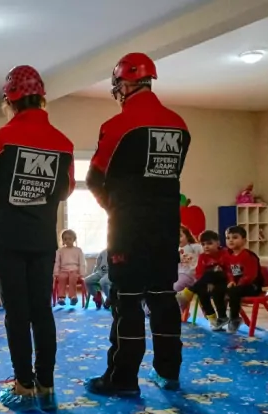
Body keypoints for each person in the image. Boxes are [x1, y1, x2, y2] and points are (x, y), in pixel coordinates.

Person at [85, 52, 191, 396]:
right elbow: (169, 178)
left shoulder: (117, 126)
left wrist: (113, 209)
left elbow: (95, 179)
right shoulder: (180, 126)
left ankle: (123, 379)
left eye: (118, 85)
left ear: (126, 84)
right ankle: (169, 373)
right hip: (165, 230)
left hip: (128, 230)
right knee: (163, 299)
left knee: (127, 302)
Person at [0, 65, 75, 411]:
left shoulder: (2, 137)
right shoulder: (63, 142)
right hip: (43, 238)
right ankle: (46, 383)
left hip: (8, 238)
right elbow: (66, 191)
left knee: (17, 313)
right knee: (41, 311)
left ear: (9, 100)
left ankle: (23, 384)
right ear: (42, 98)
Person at [179, 230, 228, 330]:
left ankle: (188, 292)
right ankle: (213, 320)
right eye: (203, 244)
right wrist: (208, 282)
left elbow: (228, 271)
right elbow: (199, 273)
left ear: (218, 243)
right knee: (202, 291)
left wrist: (211, 279)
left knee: (214, 271)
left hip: (223, 283)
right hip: (207, 283)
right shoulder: (203, 256)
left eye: (209, 243)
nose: (206, 246)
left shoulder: (225, 253)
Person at [223, 225, 264, 333]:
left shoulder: (249, 256)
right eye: (228, 238)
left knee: (233, 291)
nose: (231, 240)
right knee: (221, 289)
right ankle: (221, 317)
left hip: (252, 286)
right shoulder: (228, 256)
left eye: (235, 237)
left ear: (244, 240)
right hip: (237, 286)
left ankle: (234, 318)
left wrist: (238, 284)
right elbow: (229, 271)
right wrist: (231, 281)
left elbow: (250, 275)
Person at [54, 229, 86, 306]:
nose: (67, 241)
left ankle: (73, 296)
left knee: (72, 277)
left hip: (74, 270)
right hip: (63, 270)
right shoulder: (60, 251)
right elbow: (57, 262)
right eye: (65, 239)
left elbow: (82, 262)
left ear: (74, 239)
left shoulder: (78, 250)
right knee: (61, 278)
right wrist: (56, 272)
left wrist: (82, 273)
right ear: (63, 240)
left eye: (70, 239)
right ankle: (61, 297)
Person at [175, 226, 202, 293]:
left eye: (180, 236)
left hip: (191, 275)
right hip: (179, 275)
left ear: (187, 236)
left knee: (176, 286)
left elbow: (206, 254)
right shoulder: (175, 250)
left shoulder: (195, 247)